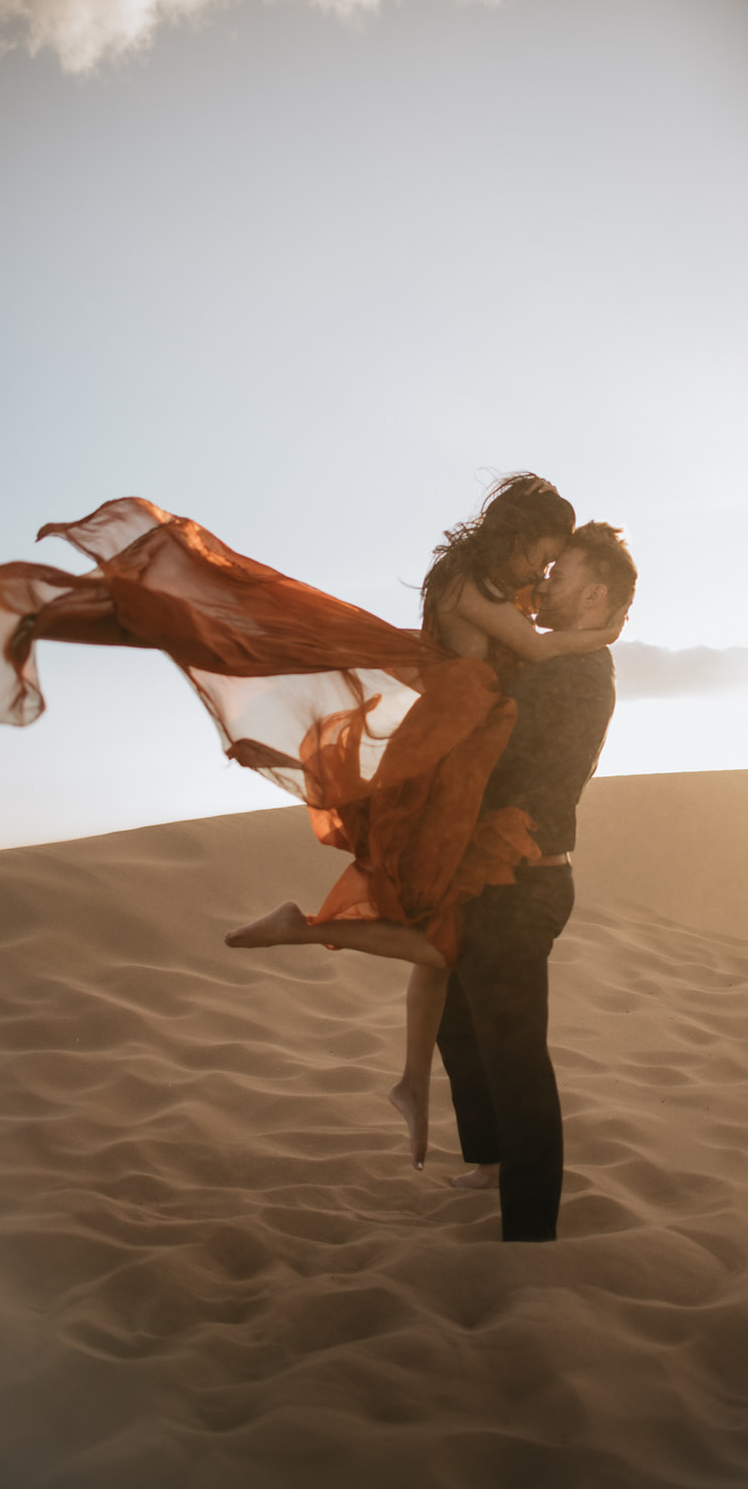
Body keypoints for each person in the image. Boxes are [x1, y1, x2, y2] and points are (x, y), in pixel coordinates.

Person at [223, 475, 627, 1167]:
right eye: (544, 557)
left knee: (447, 950)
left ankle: (425, 1099)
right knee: (438, 936)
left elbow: (535, 705)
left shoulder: (510, 605)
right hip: (448, 752)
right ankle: (313, 936)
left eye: (557, 566)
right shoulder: (475, 589)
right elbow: (530, 655)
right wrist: (606, 632)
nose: (542, 574)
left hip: (469, 764)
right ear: (520, 535)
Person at [436, 521, 637, 1242]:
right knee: (455, 1020)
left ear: (595, 592)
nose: (543, 583)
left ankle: (530, 1228)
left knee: (513, 1051)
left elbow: (512, 766)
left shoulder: (577, 675)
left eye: (560, 575)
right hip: (492, 876)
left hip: (524, 886)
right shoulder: (546, 661)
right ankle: (490, 1160)